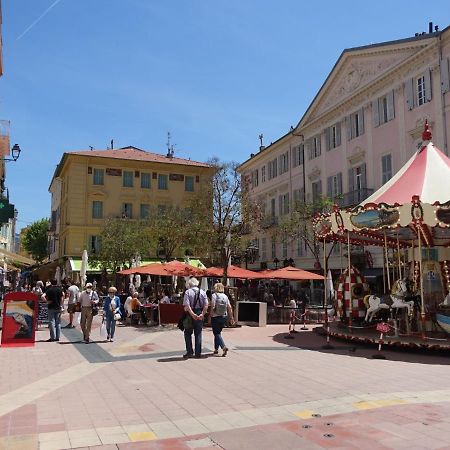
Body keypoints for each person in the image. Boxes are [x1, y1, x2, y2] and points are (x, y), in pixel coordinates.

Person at [183, 277, 208, 358]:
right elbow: (206, 305)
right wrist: (202, 314)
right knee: (198, 333)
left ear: (190, 284)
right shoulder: (203, 292)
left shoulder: (187, 292)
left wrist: (192, 314)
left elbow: (187, 305)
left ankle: (190, 352)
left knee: (187, 333)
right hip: (200, 312)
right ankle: (198, 353)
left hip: (190, 314)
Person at [209, 282, 234, 356]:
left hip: (215, 317)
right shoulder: (225, 296)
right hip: (223, 317)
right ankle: (216, 349)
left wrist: (210, 316)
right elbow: (229, 307)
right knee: (218, 333)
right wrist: (231, 317)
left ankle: (223, 347)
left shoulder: (214, 295)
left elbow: (213, 306)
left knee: (216, 333)